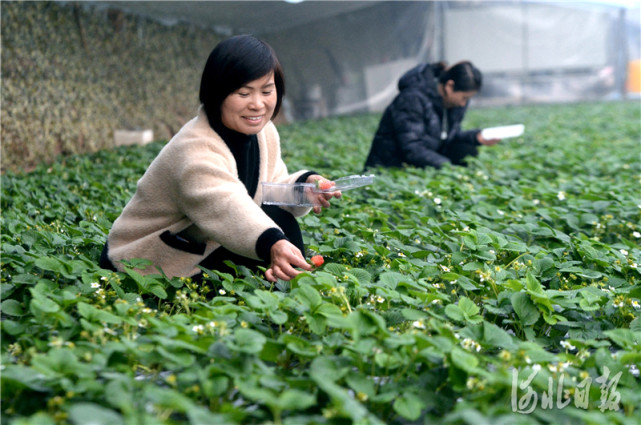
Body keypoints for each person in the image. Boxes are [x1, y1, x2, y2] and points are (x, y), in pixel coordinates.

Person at [100, 35, 340, 283]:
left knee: (280, 221)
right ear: (217, 94)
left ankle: (288, 282)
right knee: (270, 239)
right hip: (152, 255)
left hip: (206, 236)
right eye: (243, 93)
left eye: (267, 91)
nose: (258, 104)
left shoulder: (264, 132)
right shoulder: (194, 148)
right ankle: (283, 284)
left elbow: (269, 189)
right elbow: (225, 204)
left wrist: (304, 189)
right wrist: (272, 243)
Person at [363, 61, 500, 170]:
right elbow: (413, 148)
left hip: (421, 163)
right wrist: (448, 167)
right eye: (464, 97)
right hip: (394, 167)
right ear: (449, 86)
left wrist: (476, 137)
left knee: (466, 149)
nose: (463, 104)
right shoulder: (412, 98)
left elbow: (449, 136)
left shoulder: (452, 104)